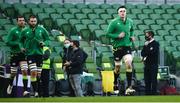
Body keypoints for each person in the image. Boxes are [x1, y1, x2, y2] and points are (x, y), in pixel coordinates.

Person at [106, 6, 135, 95]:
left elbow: (132, 30)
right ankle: (115, 83)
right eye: (121, 11)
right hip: (117, 48)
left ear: (126, 12)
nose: (122, 12)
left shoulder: (130, 21)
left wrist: (132, 36)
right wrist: (117, 36)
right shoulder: (114, 22)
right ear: (118, 13)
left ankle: (129, 87)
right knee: (117, 67)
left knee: (129, 63)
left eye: (124, 11)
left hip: (127, 47)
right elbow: (107, 34)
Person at [20, 15, 50, 97]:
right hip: (30, 54)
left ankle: (37, 91)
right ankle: (36, 92)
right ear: (29, 21)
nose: (33, 23)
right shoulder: (25, 30)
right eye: (32, 21)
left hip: (39, 54)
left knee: (38, 75)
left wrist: (45, 43)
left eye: (34, 21)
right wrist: (21, 47)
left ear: (37, 21)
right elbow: (20, 41)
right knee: (33, 72)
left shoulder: (41, 29)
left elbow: (48, 39)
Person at [6, 16, 30, 96]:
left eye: (23, 20)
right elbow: (7, 42)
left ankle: (25, 90)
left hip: (23, 55)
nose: (22, 22)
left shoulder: (27, 30)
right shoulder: (13, 30)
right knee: (13, 73)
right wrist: (18, 43)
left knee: (25, 71)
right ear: (17, 22)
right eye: (20, 20)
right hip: (15, 54)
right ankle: (10, 84)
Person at [141, 31, 159, 95]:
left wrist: (147, 50)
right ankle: (147, 94)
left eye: (147, 35)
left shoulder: (156, 43)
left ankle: (154, 93)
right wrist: (147, 48)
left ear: (150, 35)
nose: (145, 36)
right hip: (146, 64)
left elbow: (152, 52)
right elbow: (142, 53)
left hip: (153, 64)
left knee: (153, 80)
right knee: (147, 80)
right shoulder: (146, 44)